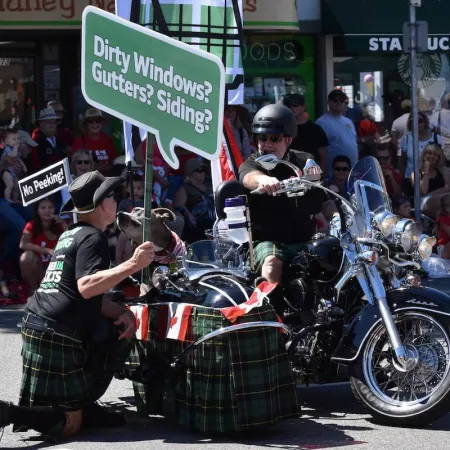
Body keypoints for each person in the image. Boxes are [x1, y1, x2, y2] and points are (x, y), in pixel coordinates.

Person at [0, 170, 155, 439]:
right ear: (103, 204)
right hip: (57, 334)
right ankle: (9, 413)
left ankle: (81, 404)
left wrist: (121, 311)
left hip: (39, 325)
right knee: (68, 424)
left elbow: (76, 291)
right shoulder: (93, 238)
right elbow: (86, 287)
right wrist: (133, 264)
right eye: (112, 196)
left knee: (115, 313)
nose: (116, 201)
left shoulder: (72, 233)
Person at [239, 104, 337, 285]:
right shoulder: (253, 163)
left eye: (274, 138)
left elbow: (324, 199)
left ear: (289, 139)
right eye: (261, 138)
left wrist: (337, 217)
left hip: (305, 240)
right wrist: (263, 180)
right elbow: (248, 177)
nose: (266, 144)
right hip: (269, 242)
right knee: (271, 264)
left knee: (334, 258)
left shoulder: (304, 160)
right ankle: (270, 311)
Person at [20, 197, 67, 291]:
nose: (47, 211)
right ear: (37, 211)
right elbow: (22, 244)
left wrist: (63, 223)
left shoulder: (59, 225)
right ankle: (34, 290)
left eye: (50, 207)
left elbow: (70, 239)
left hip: (55, 268)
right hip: (38, 269)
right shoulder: (31, 225)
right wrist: (47, 250)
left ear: (54, 209)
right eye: (43, 208)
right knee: (27, 256)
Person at [316, 89, 359, 179]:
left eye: (341, 100)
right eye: (335, 100)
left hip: (351, 172)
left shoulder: (348, 122)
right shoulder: (321, 123)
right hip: (333, 174)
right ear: (329, 102)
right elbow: (319, 150)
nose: (338, 102)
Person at [282, 93, 329, 174]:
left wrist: (322, 172)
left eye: (295, 104)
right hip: (289, 172)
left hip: (311, 172)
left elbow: (323, 155)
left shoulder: (315, 129)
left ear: (304, 106)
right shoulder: (283, 129)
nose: (292, 108)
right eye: (289, 105)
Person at [72, 108, 118, 176]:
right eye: (91, 121)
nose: (94, 123)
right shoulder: (79, 141)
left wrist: (107, 166)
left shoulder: (108, 139)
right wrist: (95, 167)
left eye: (98, 120)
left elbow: (114, 162)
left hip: (106, 180)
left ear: (102, 123)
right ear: (86, 124)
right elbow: (75, 165)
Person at [399, 111, 443, 180]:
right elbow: (402, 161)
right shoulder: (406, 138)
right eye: (413, 121)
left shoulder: (436, 138)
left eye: (420, 121)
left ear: (425, 122)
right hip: (410, 179)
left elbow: (442, 161)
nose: (417, 123)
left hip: (431, 180)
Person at [411, 143, 450, 218]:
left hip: (443, 198)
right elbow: (423, 191)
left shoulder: (443, 170)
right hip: (424, 202)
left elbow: (448, 188)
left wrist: (431, 194)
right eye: (429, 153)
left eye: (435, 155)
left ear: (438, 158)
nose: (432, 156)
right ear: (424, 155)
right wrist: (426, 171)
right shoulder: (416, 174)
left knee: (446, 199)